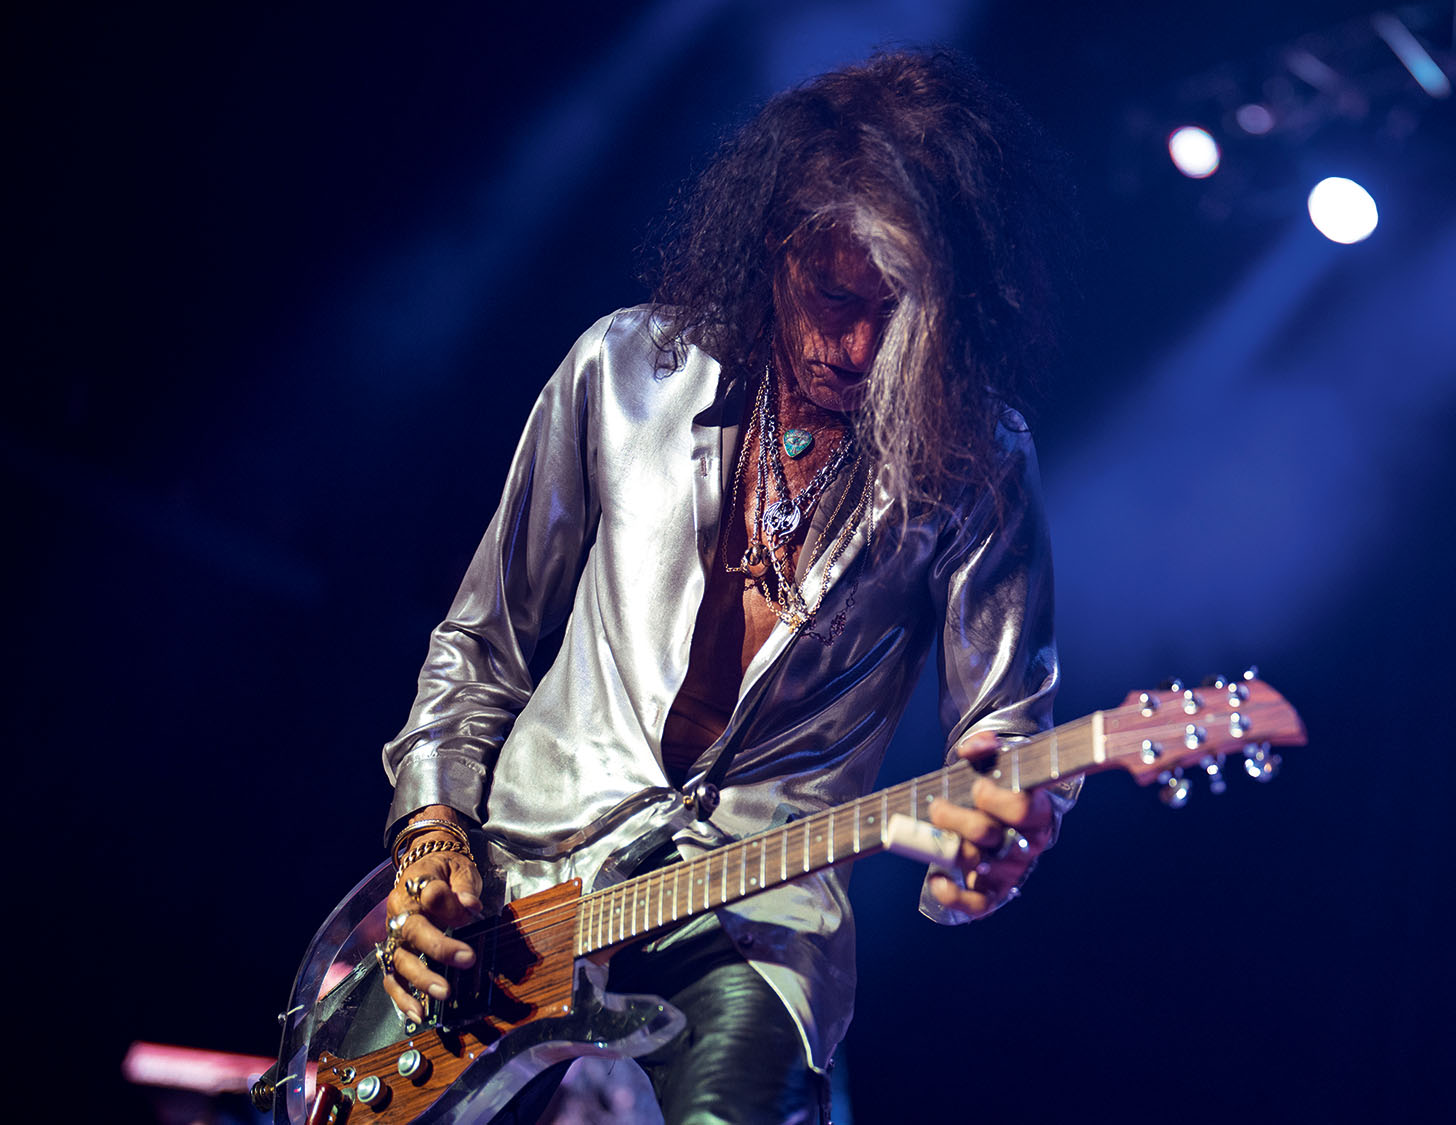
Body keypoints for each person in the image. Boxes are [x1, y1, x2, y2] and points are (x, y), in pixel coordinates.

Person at [371, 50, 1077, 1124]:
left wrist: (995, 846)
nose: (858, 347)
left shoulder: (977, 460)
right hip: (522, 886)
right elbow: (480, 646)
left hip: (758, 915)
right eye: (834, 296)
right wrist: (431, 840)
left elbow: (1009, 741)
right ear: (771, 244)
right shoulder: (622, 369)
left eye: (897, 310)